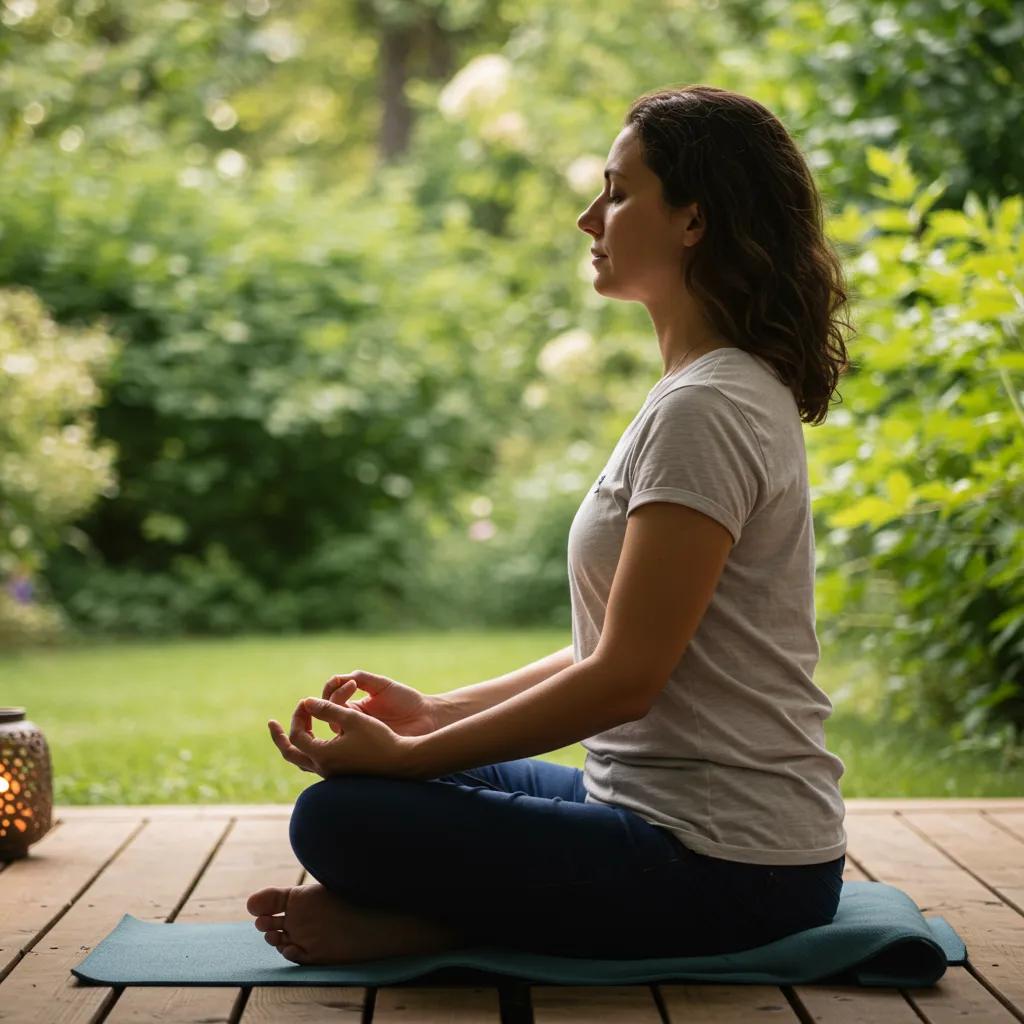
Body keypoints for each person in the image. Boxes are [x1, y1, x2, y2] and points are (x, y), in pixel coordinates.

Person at [246, 83, 853, 966]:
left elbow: (622, 682)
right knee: (408, 776)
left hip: (731, 866)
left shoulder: (709, 408)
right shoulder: (705, 393)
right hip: (653, 818)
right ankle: (454, 908)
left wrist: (413, 762)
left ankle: (438, 924)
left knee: (342, 818)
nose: (587, 217)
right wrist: (434, 716)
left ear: (694, 220)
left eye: (615, 190)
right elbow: (624, 642)